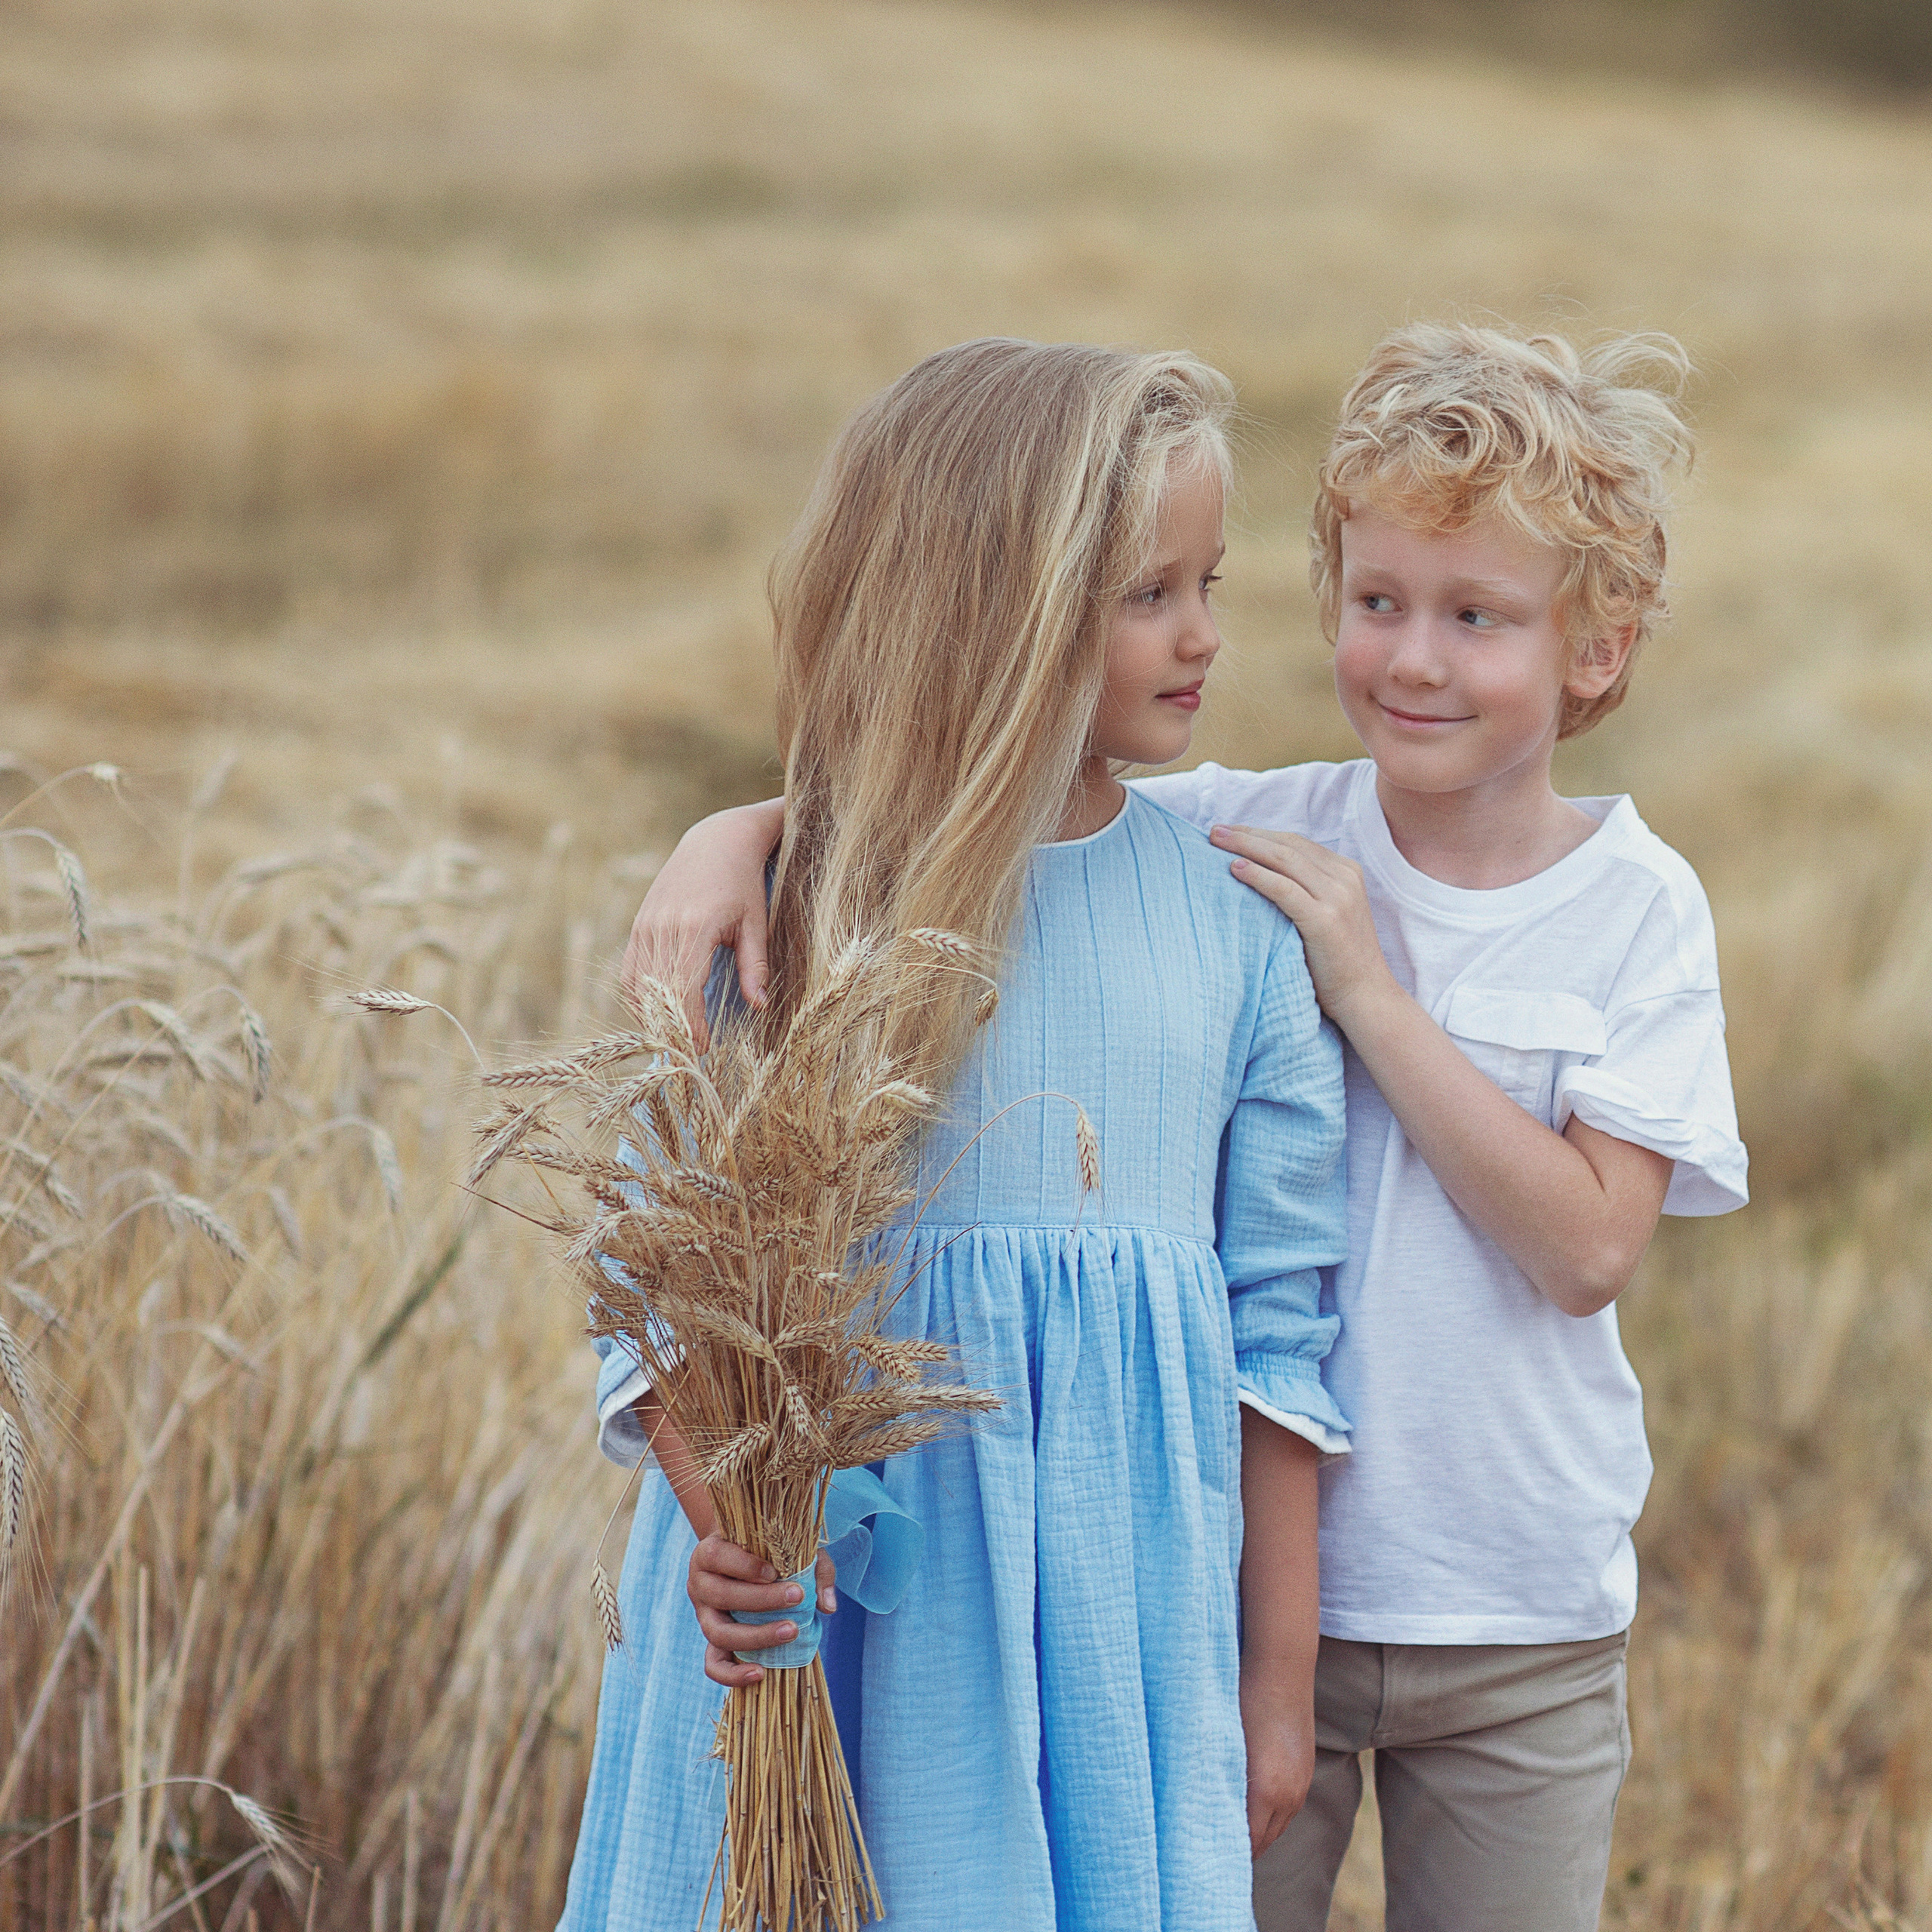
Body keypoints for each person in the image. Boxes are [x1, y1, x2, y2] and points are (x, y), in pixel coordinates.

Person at [625, 321, 1750, 1932]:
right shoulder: (1248, 830)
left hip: (1493, 1583)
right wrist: (733, 830)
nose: (1412, 657)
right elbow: (980, 794)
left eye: (1472, 616)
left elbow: (1579, 1249)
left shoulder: (1610, 907)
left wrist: (1366, 989)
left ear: (1594, 646)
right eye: (1375, 604)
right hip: (1183, 1591)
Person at [562, 338, 1351, 1932]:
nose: (1204, 634)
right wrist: (737, 1538)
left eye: (1212, 580)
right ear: (998, 605)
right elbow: (659, 1281)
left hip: (1106, 1635)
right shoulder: (787, 915)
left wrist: (1276, 1685)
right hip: (818, 1608)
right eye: (1149, 593)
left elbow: (1280, 1344)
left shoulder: (1236, 932)